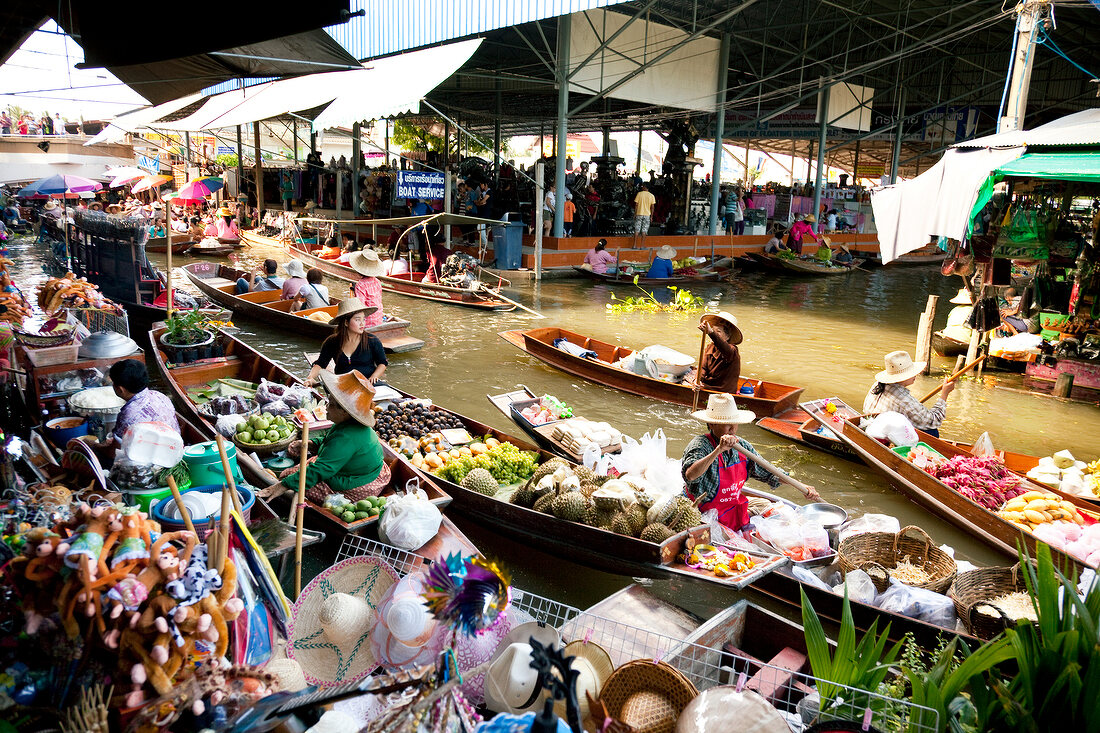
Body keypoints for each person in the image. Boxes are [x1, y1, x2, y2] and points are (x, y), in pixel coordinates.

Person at [682, 393, 819, 537]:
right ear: (711, 424)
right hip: (701, 511)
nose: (732, 428)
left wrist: (801, 487)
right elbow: (690, 475)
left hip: (730, 507)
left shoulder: (742, 447)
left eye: (734, 423)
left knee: (776, 511)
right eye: (726, 424)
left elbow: (769, 472)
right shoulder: (700, 445)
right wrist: (718, 450)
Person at [269, 369, 389, 505]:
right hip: (355, 467)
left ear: (344, 412)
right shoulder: (345, 424)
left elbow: (322, 468)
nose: (326, 407)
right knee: (293, 474)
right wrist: (313, 443)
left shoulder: (347, 436)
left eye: (331, 405)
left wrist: (282, 486)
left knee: (287, 477)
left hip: (358, 482)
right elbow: (330, 441)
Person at [864, 350, 954, 437]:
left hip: (873, 425)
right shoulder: (904, 399)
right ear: (903, 377)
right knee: (932, 432)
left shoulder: (877, 385)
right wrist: (944, 394)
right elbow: (934, 421)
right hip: (884, 433)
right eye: (912, 373)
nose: (916, 375)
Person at [304, 298, 387, 387]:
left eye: (363, 319)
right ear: (346, 323)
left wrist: (374, 376)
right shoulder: (332, 342)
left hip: (368, 384)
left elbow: (382, 363)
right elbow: (321, 364)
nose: (362, 323)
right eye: (357, 320)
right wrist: (310, 378)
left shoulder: (372, 340)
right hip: (343, 385)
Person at [106, 359, 180, 445]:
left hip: (154, 455)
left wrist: (94, 445)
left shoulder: (128, 415)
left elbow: (113, 452)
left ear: (120, 389)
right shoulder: (160, 396)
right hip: (174, 446)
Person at [694, 311, 742, 392]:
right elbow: (703, 367)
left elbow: (723, 347)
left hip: (722, 390)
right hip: (707, 385)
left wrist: (711, 333)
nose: (715, 333)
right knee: (690, 374)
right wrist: (697, 381)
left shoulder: (732, 350)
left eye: (718, 331)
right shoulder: (710, 347)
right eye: (714, 330)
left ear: (727, 336)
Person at [349, 249, 386, 327]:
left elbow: (360, 307)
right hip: (378, 320)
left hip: (367, 323)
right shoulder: (377, 282)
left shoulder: (360, 285)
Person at [632, 183, 656, 248]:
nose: (642, 187)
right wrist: (651, 217)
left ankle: (634, 245)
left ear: (645, 187)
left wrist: (635, 214)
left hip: (639, 214)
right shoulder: (651, 196)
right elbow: (652, 207)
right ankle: (642, 246)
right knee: (644, 230)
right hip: (647, 215)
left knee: (637, 229)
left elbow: (636, 205)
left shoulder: (639, 194)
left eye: (643, 186)